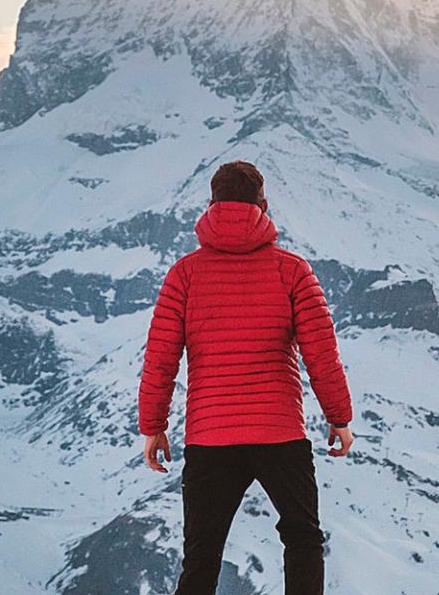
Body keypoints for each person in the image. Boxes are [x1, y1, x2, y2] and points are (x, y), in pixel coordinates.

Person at [138, 160, 355, 595]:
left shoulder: (184, 274)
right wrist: (339, 417)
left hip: (210, 436)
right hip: (279, 433)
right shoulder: (292, 270)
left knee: (201, 555)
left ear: (212, 205)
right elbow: (321, 355)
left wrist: (154, 427)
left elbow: (161, 358)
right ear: (264, 205)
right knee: (302, 539)